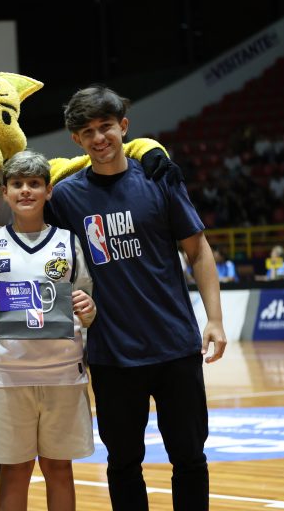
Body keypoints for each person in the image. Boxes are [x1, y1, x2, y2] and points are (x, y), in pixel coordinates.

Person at [46, 85, 227, 511]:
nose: (99, 138)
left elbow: (198, 250)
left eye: (106, 126)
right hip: (112, 355)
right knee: (124, 463)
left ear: (123, 126)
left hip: (174, 347)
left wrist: (215, 319)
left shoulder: (159, 179)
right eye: (88, 131)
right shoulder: (66, 197)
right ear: (76, 139)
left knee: (189, 458)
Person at [0, 150, 96, 511]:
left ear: (48, 191)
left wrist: (88, 309)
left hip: (63, 376)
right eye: (17, 184)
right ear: (5, 192)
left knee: (59, 468)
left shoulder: (68, 241)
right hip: (8, 377)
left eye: (34, 183)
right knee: (15, 470)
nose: (25, 190)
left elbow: (86, 305)